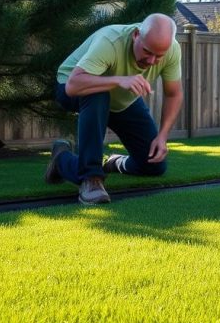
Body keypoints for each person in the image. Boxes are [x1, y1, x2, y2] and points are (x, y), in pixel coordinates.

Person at [44, 13, 184, 204]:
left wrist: (162, 136)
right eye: (147, 51)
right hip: (75, 87)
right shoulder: (110, 41)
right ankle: (91, 178)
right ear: (136, 35)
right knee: (98, 93)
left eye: (158, 56)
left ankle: (69, 161)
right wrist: (119, 80)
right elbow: (72, 85)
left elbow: (174, 94)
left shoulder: (172, 50)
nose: (151, 61)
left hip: (122, 100)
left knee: (154, 165)